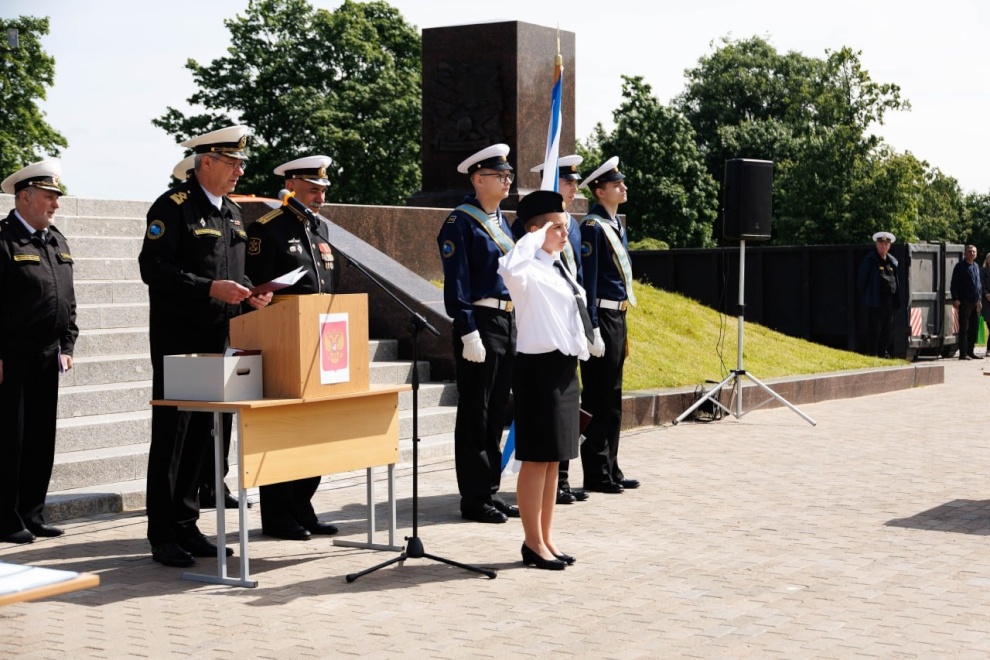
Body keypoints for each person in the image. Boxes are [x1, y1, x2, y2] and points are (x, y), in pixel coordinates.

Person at [139, 125, 272, 567]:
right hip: (180, 341)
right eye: (232, 162)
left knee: (203, 435)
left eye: (241, 163)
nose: (240, 171)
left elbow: (233, 270)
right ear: (207, 162)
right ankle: (162, 533)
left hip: (220, 338)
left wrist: (252, 293)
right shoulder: (173, 207)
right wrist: (208, 288)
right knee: (174, 437)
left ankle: (187, 524)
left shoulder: (232, 212)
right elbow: (153, 268)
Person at [246, 155, 341, 541]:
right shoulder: (266, 228)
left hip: (322, 343)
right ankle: (277, 514)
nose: (320, 197)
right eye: (313, 189)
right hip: (283, 344)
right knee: (284, 430)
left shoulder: (320, 229)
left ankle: (303, 506)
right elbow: (255, 291)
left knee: (315, 430)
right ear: (291, 185)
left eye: (323, 190)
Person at [498, 190, 590, 570]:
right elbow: (507, 268)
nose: (565, 232)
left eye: (565, 225)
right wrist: (533, 238)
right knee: (536, 460)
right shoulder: (526, 270)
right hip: (538, 371)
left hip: (564, 369)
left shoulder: (557, 267)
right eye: (557, 226)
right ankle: (532, 542)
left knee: (555, 460)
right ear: (535, 231)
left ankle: (547, 538)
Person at [437, 143, 519, 524]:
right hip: (481, 322)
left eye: (508, 175)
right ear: (478, 179)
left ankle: (490, 489)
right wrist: (468, 329)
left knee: (496, 410)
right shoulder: (461, 222)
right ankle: (473, 498)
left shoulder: (503, 222)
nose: (507, 180)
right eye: (499, 175)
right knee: (476, 411)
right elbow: (457, 282)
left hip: (506, 322)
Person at [0, 160, 77, 545]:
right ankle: (4, 518)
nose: (55, 204)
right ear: (25, 197)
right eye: (49, 197)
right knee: (9, 441)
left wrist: (68, 343)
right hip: (10, 356)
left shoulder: (56, 240)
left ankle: (33, 513)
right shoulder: (4, 239)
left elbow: (68, 298)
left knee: (40, 440)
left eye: (56, 197)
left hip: (48, 355)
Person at [526, 155, 589, 506]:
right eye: (567, 182)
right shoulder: (533, 242)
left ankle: (562, 480)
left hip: (568, 340)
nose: (574, 188)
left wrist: (589, 326)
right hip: (541, 350)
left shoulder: (571, 227)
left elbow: (578, 276)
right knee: (543, 445)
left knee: (562, 435)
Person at [579, 157, 639, 494]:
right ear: (600, 191)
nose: (623, 188)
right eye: (616, 185)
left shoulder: (615, 224)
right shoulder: (592, 226)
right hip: (601, 315)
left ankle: (611, 466)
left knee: (613, 396)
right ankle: (596, 471)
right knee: (598, 396)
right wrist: (592, 327)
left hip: (618, 315)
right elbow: (587, 281)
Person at [856, 231, 899, 358]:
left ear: (889, 246)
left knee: (887, 330)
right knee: (874, 329)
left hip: (889, 301)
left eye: (886, 244)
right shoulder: (870, 260)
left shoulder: (892, 262)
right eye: (881, 244)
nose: (883, 246)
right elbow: (861, 281)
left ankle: (883, 352)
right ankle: (872, 353)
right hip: (876, 301)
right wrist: (869, 296)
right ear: (876, 245)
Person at [950, 244, 982, 360]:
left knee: (973, 328)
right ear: (964, 253)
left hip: (975, 301)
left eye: (974, 252)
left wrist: (979, 299)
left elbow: (978, 284)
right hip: (964, 301)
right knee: (964, 328)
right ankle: (963, 353)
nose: (972, 253)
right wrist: (955, 299)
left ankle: (971, 351)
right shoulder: (960, 267)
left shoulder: (976, 266)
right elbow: (954, 283)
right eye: (969, 251)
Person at [981, 253, 990, 355]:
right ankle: (988, 349)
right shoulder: (983, 271)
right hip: (987, 302)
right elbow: (981, 284)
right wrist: (986, 294)